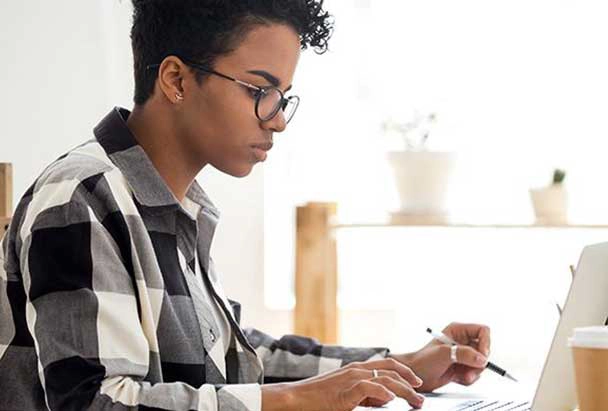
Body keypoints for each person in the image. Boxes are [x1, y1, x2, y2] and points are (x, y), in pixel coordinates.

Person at [0, 1, 491, 410]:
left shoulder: (174, 204)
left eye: (284, 96)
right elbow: (95, 403)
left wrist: (399, 367)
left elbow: (235, 355)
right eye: (261, 91)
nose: (277, 121)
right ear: (176, 79)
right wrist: (298, 400)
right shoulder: (80, 197)